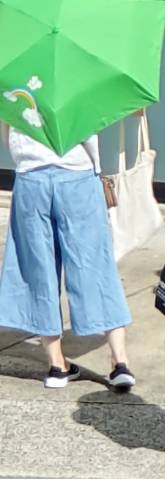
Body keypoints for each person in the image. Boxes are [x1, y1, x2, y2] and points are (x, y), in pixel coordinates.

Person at [0, 122, 134, 391]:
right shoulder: (80, 91)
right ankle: (120, 362)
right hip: (78, 173)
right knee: (95, 266)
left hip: (31, 176)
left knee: (38, 270)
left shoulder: (13, 93)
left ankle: (56, 366)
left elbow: (7, 136)